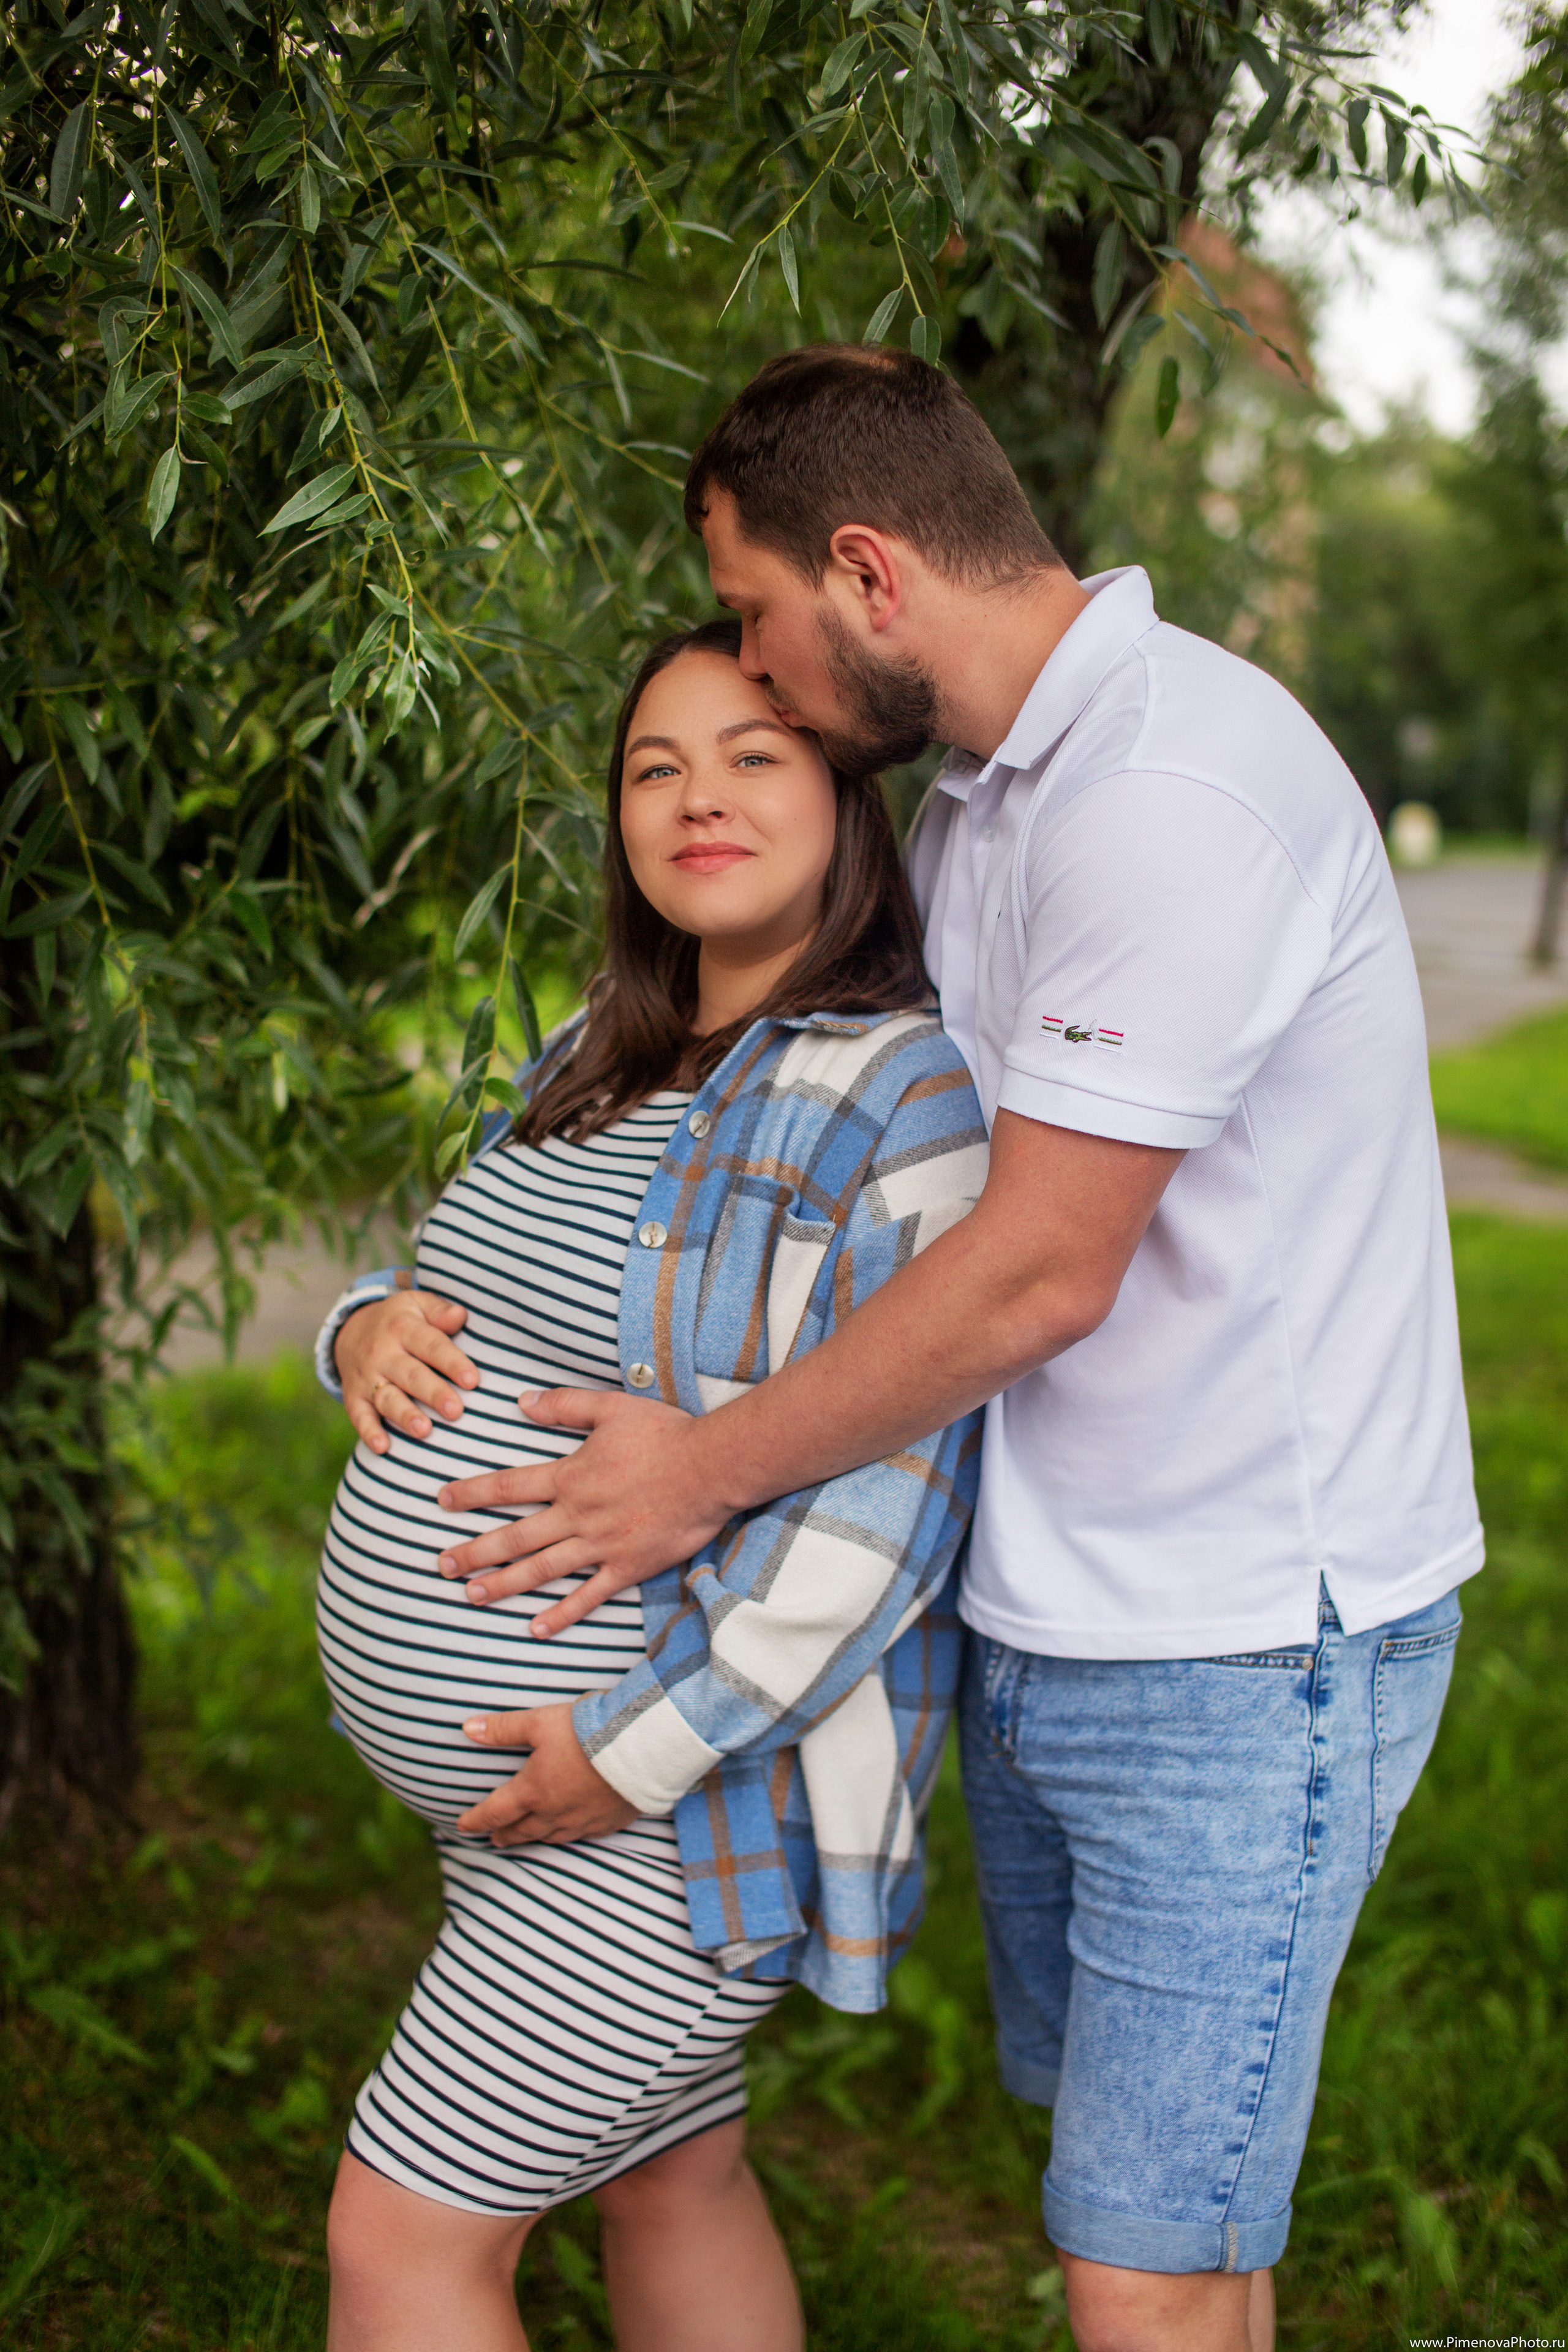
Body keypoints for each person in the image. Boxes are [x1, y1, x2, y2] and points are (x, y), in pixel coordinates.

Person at [419, 349, 1483, 2352]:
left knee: (1143, 2269)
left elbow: (1033, 1275)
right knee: (1174, 2229)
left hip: (1244, 1635)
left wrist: (697, 1473)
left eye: (754, 617)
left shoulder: (1176, 789)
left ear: (865, 572)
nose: (755, 670)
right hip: (1062, 1612)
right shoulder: (1004, 795)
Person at [311, 614, 988, 2352]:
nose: (697, 798)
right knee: (672, 2177)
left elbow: (889, 1508)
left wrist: (633, 1751)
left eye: (752, 756)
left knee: (402, 2240)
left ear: (844, 797)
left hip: (657, 1815)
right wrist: (359, 1330)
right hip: (552, 1812)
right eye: (654, 765)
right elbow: (443, 1294)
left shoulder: (892, 1093)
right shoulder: (591, 1050)